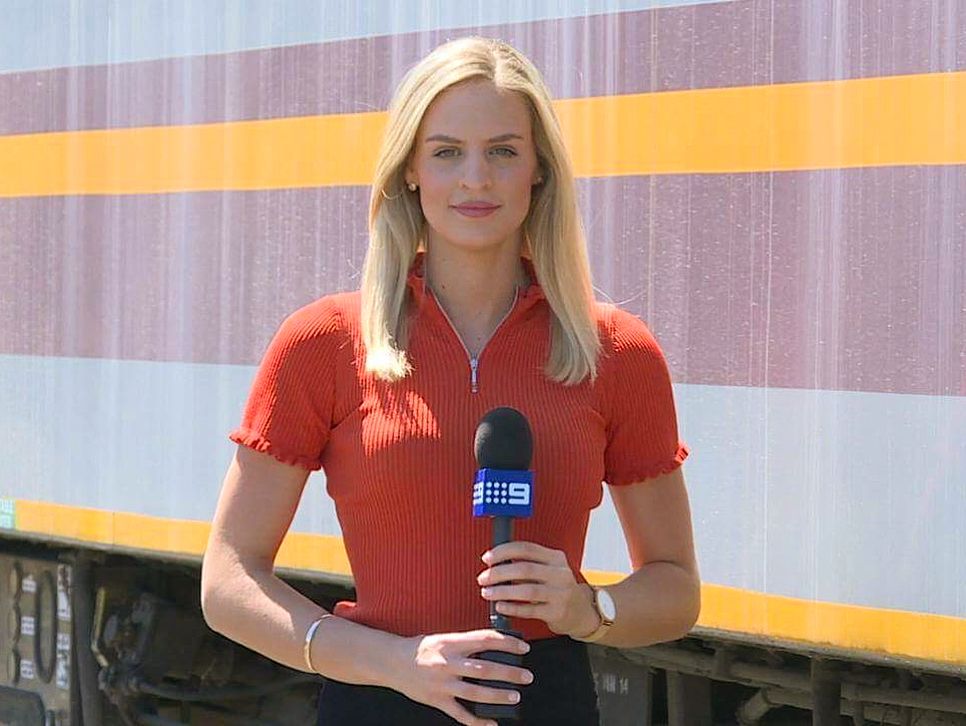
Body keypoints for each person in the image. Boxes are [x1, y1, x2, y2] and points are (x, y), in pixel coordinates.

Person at [200, 36, 700, 726]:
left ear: (539, 170)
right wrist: (395, 663)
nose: (475, 178)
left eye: (503, 151)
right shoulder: (323, 340)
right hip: (376, 703)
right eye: (446, 152)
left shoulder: (615, 351)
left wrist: (589, 608)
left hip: (546, 702)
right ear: (409, 169)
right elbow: (228, 582)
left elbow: (676, 589)